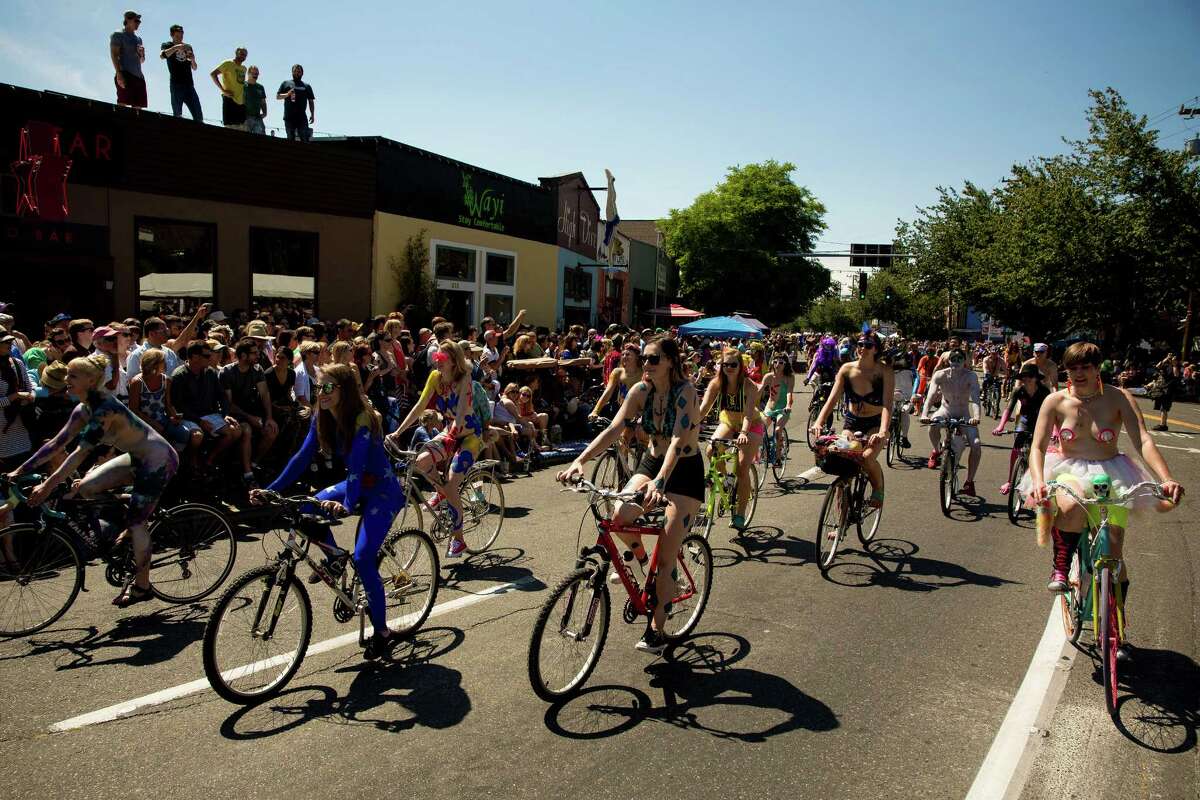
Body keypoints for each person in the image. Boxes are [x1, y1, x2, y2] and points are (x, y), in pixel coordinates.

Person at [1020, 343, 1183, 661]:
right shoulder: (1055, 400)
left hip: (1111, 473)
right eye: (1073, 368)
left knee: (1114, 552)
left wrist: (1166, 478)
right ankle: (1061, 566)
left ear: (1098, 368)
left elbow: (1143, 440)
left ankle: (1116, 627)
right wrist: (1038, 480)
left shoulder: (1119, 398)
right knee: (1071, 505)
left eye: (1086, 367)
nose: (1079, 373)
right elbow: (1037, 447)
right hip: (1067, 470)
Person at [557, 335, 703, 655]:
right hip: (652, 462)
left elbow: (678, 441)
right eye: (644, 358)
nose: (645, 364)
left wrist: (660, 482)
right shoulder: (640, 391)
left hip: (683, 471)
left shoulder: (686, 393)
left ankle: (657, 630)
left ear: (670, 362)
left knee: (666, 557)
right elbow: (613, 429)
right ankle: (642, 566)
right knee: (619, 517)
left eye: (653, 359)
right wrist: (580, 460)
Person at [250, 363, 405, 660]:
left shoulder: (362, 417)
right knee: (305, 507)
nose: (321, 392)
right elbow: (301, 457)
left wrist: (346, 505)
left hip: (382, 491)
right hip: (354, 485)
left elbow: (357, 466)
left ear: (344, 390)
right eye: (319, 387)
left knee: (363, 558)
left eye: (329, 387)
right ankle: (334, 557)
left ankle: (382, 632)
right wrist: (271, 489)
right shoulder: (321, 415)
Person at [13, 354, 179, 606]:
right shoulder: (83, 409)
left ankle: (142, 586)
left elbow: (80, 453)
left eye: (73, 375)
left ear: (91, 381)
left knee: (137, 524)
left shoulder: (105, 408)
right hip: (136, 457)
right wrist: (19, 470)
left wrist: (48, 485)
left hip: (159, 460)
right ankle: (132, 511)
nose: (66, 379)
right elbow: (57, 444)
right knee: (86, 487)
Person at [385, 341, 481, 559]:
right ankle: (442, 492)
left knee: (452, 482)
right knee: (421, 461)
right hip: (449, 432)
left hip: (469, 436)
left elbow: (461, 412)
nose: (437, 362)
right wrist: (398, 432)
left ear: (454, 361)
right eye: (436, 358)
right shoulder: (435, 378)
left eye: (442, 359)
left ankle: (458, 540)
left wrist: (452, 432)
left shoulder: (464, 378)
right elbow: (420, 406)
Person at [810, 333, 893, 507]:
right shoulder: (846, 369)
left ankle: (878, 488)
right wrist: (819, 422)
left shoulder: (884, 371)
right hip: (852, 422)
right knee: (843, 461)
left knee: (866, 458)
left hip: (876, 422)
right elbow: (832, 399)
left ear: (876, 349)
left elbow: (887, 404)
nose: (862, 348)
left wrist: (883, 431)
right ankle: (841, 517)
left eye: (868, 345)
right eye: (860, 344)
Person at [699, 346, 765, 529]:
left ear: (740, 366)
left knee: (742, 468)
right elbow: (703, 409)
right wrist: (689, 426)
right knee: (712, 450)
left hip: (751, 425)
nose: (729, 367)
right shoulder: (716, 383)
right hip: (729, 422)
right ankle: (727, 480)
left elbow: (748, 414)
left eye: (733, 364)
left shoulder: (749, 386)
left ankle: (740, 514)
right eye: (725, 364)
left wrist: (743, 432)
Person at [171, 341, 246, 468]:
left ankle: (210, 460)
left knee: (235, 431)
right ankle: (192, 462)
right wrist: (199, 421)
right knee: (197, 437)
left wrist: (225, 414)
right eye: (206, 356)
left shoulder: (210, 372)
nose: (210, 358)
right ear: (195, 357)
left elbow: (221, 396)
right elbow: (178, 406)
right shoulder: (179, 376)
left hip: (208, 414)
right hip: (188, 417)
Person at [921, 348, 982, 495]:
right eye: (953, 359)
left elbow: (975, 399)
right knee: (933, 424)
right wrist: (924, 414)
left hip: (963, 414)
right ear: (949, 360)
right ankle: (937, 451)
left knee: (976, 444)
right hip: (945, 410)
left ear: (965, 361)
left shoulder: (971, 376)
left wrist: (976, 417)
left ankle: (969, 482)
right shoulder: (940, 375)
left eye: (959, 359)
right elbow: (930, 396)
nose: (956, 362)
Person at [219, 337, 278, 484]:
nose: (258, 355)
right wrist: (249, 417)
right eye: (254, 353)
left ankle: (254, 463)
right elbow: (228, 404)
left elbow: (264, 394)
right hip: (234, 414)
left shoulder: (257, 369)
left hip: (252, 412)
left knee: (271, 431)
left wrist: (269, 417)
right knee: (246, 430)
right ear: (244, 355)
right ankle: (247, 473)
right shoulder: (227, 372)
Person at [993, 362, 1050, 495]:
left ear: (1036, 378)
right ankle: (1010, 481)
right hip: (1024, 421)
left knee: (1039, 451)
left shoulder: (1044, 392)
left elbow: (1052, 412)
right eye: (1024, 376)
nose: (1027, 379)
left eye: (1030, 376)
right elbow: (1008, 409)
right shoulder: (1019, 391)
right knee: (1016, 449)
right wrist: (1000, 426)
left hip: (1040, 422)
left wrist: (1053, 431)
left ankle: (1037, 482)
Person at [160, 24, 201, 120]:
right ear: (172, 35)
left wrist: (193, 59)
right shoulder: (167, 45)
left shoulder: (188, 47)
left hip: (189, 85)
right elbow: (162, 56)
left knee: (198, 115)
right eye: (177, 35)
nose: (180, 37)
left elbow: (194, 67)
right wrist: (176, 47)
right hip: (176, 84)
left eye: (181, 34)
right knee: (177, 114)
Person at [759, 352, 794, 461]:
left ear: (785, 364)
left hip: (783, 408)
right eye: (775, 362)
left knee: (778, 430)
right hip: (770, 407)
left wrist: (788, 405)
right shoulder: (768, 376)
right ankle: (764, 450)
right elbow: (759, 390)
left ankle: (778, 457)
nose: (777, 365)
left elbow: (789, 392)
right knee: (760, 429)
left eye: (781, 362)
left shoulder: (789, 377)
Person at [110, 11, 147, 109]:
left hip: (139, 77)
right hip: (125, 74)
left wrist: (142, 55)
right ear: (127, 20)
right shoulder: (118, 35)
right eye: (136, 21)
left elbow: (141, 61)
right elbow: (114, 55)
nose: (138, 23)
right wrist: (119, 74)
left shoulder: (139, 39)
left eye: (139, 21)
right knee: (122, 105)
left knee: (138, 109)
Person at [210, 47, 249, 131]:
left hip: (241, 102)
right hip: (229, 99)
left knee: (243, 128)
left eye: (245, 55)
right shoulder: (228, 63)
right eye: (241, 53)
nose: (243, 56)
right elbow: (213, 74)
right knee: (230, 127)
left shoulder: (244, 68)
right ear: (236, 53)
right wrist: (223, 90)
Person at [276, 64, 316, 142]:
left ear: (302, 73)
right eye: (295, 71)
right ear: (292, 72)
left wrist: (312, 114)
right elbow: (278, 96)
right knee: (290, 139)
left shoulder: (307, 86)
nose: (297, 73)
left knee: (304, 138)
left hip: (302, 117)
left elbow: (311, 101)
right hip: (289, 117)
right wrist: (287, 94)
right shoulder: (285, 83)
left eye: (299, 71)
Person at [1151, 353, 1180, 431]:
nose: (1172, 360)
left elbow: (1176, 375)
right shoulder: (1166, 365)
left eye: (1174, 359)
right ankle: (1163, 424)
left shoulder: (1176, 367)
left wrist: (1174, 365)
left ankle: (1163, 425)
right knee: (1162, 407)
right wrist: (1166, 358)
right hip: (1162, 388)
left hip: (1169, 390)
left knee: (1164, 408)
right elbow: (1157, 367)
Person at [243, 65, 268, 135]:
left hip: (257, 117)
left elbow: (263, 102)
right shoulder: (243, 85)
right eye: (253, 73)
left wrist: (265, 113)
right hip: (245, 117)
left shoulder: (260, 87)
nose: (255, 75)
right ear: (248, 73)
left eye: (257, 74)